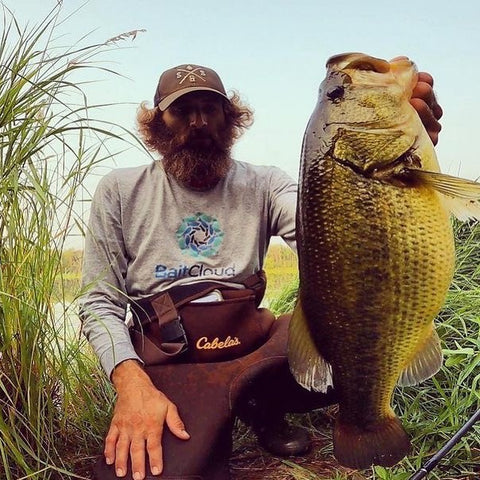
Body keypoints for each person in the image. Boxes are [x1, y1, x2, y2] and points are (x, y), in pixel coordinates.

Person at [79, 61, 443, 480]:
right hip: (172, 364)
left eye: (211, 109)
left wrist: (403, 166)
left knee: (349, 351)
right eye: (182, 110)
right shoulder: (120, 189)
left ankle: (260, 406)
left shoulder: (265, 184)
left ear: (230, 119)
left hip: (252, 346)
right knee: (146, 472)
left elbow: (332, 230)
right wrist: (130, 383)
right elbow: (98, 301)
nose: (198, 122)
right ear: (157, 124)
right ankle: (221, 407)